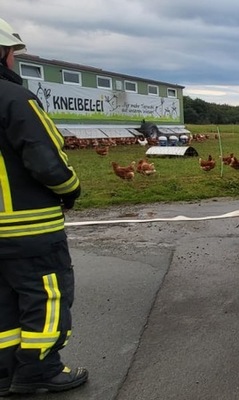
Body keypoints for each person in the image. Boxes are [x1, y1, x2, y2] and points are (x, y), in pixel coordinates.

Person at [0, 18, 87, 396]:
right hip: (27, 228)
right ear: (3, 53)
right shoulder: (14, 99)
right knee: (46, 296)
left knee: (3, 303)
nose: (14, 61)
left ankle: (5, 373)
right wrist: (71, 190)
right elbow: (46, 160)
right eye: (13, 53)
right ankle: (40, 369)